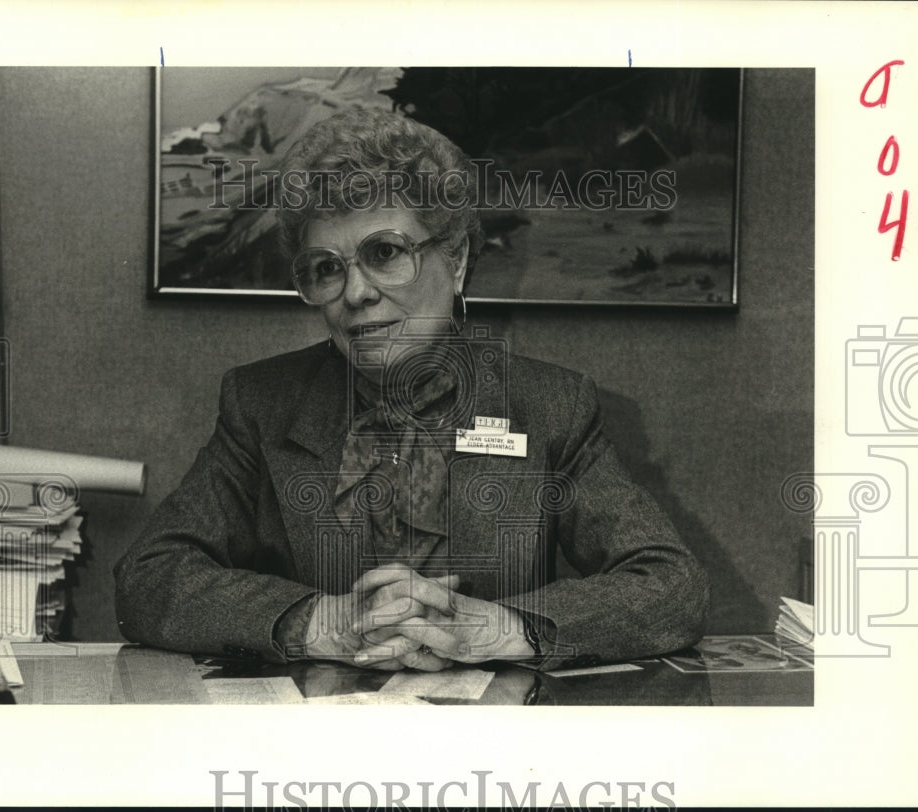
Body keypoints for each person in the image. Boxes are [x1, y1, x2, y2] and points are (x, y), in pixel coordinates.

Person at [114, 107, 709, 672]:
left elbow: (670, 585)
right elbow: (148, 576)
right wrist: (318, 621)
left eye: (385, 253)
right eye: (327, 268)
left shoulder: (550, 408)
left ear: (455, 260)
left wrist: (508, 627)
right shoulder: (261, 404)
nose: (355, 293)